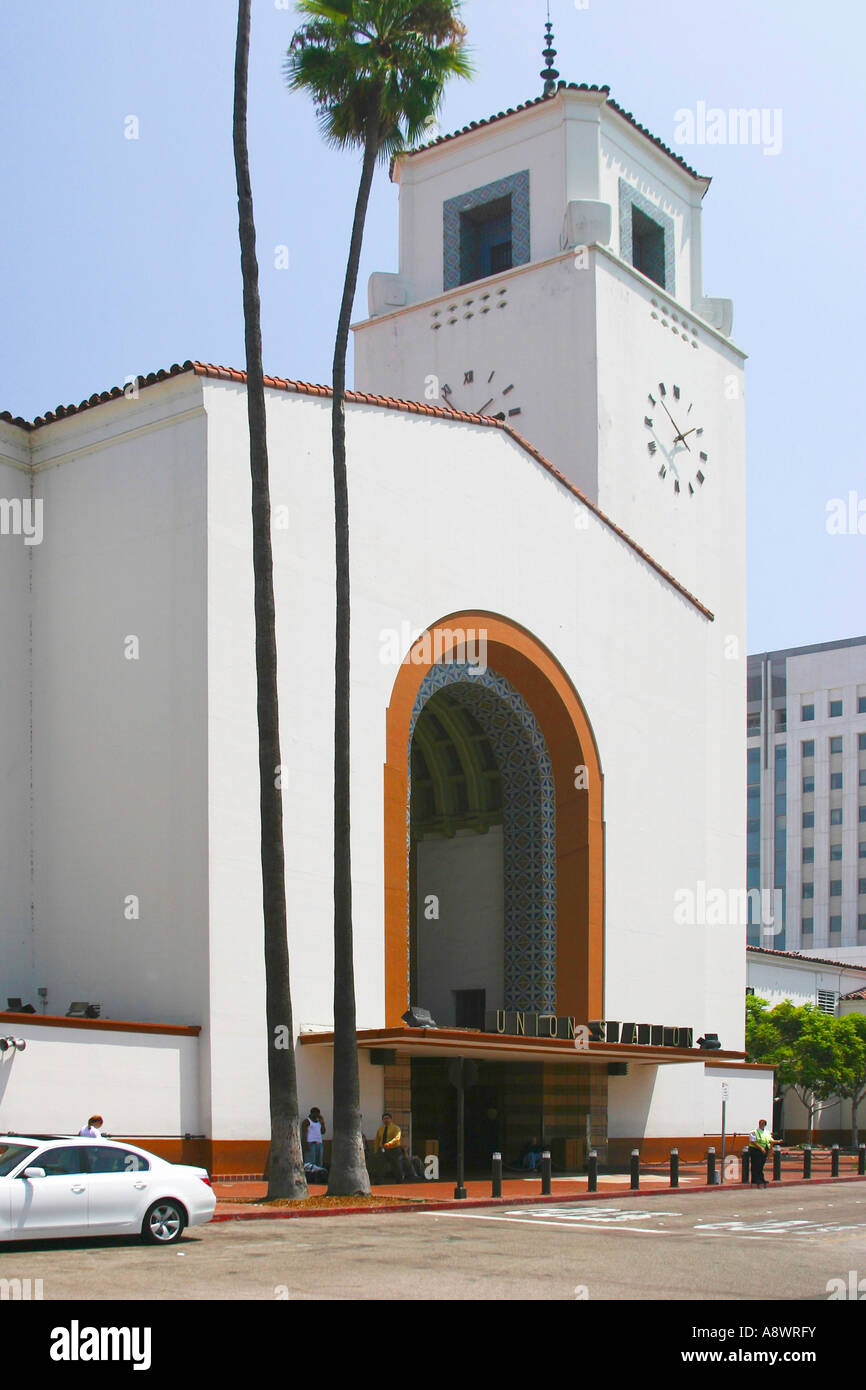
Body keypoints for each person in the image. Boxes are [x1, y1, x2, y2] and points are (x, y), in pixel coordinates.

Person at [372, 1112, 404, 1183]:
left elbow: (397, 1138)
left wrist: (389, 1144)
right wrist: (375, 1150)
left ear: (391, 1119)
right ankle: (378, 1181)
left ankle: (399, 1180)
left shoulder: (396, 1128)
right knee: (380, 1165)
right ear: (382, 1120)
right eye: (384, 1119)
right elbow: (377, 1140)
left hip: (394, 1149)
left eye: (387, 1118)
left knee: (396, 1165)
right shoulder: (380, 1129)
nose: (386, 1120)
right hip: (382, 1149)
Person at [749, 1118, 775, 1187]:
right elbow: (753, 1141)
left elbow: (770, 1140)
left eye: (763, 1124)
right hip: (755, 1150)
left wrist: (778, 1141)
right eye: (760, 1123)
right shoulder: (753, 1132)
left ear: (765, 1125)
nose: (761, 1125)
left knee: (761, 1165)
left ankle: (761, 1178)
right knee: (755, 1165)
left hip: (764, 1150)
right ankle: (755, 1179)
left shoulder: (767, 1132)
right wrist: (760, 1148)